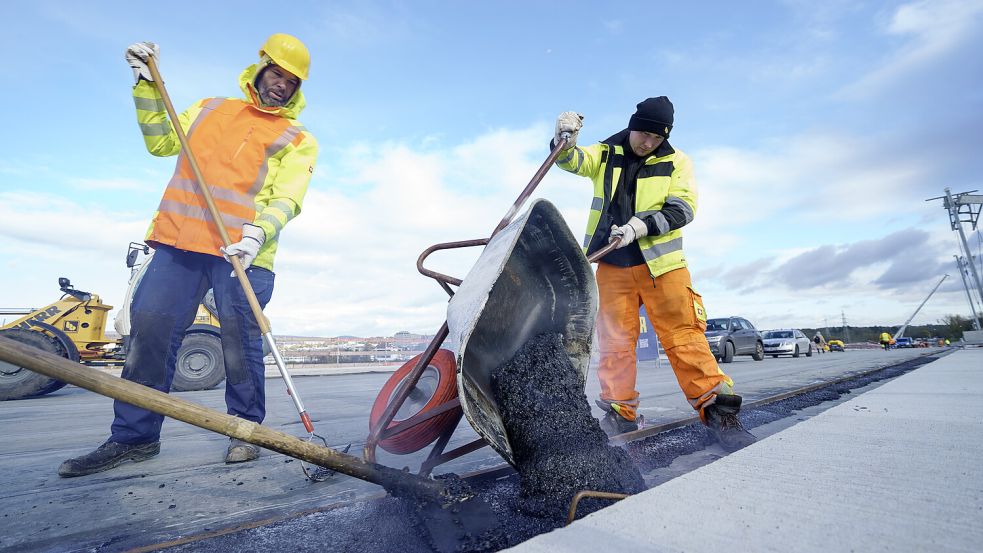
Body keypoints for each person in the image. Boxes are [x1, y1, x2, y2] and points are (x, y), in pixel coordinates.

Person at [58, 34, 318, 477]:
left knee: (239, 342)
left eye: (291, 82)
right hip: (179, 243)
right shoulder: (210, 108)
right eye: (276, 74)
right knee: (149, 335)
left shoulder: (297, 139)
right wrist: (147, 86)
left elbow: (288, 198)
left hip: (242, 253)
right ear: (259, 69)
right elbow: (161, 142)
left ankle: (244, 431)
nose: (281, 85)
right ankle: (134, 438)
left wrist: (258, 233)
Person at [552, 97, 755, 451]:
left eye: (656, 138)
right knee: (614, 343)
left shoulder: (677, 162)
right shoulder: (606, 153)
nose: (648, 143)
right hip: (612, 265)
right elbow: (572, 162)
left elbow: (683, 208)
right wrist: (563, 140)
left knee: (684, 337)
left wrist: (641, 226)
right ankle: (620, 412)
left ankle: (718, 412)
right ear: (633, 125)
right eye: (643, 133)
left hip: (663, 267)